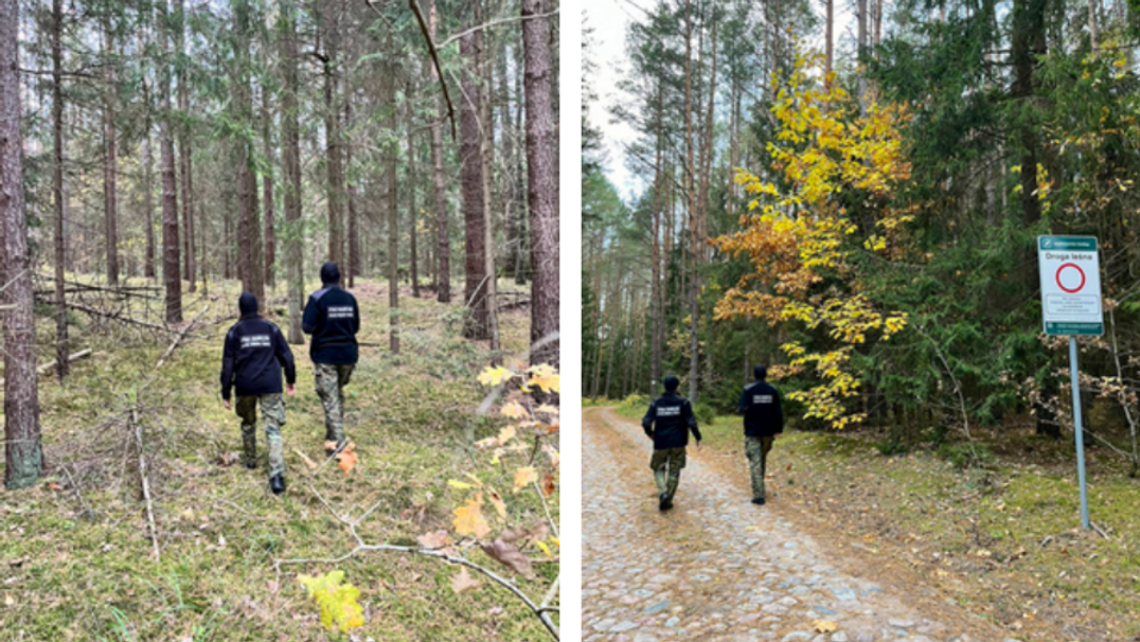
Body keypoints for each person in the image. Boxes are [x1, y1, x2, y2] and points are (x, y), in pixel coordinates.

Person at [220, 292, 297, 495]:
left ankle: (251, 461)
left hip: (245, 385)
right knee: (273, 430)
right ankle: (277, 476)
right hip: (271, 384)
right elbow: (287, 356)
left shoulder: (234, 332)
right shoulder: (271, 328)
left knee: (248, 423)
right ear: (257, 308)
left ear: (241, 309)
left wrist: (225, 392)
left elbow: (228, 365)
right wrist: (290, 379)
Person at [302, 262, 360, 454]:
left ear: (322, 278)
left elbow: (307, 327)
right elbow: (356, 326)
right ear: (339, 277)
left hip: (326, 356)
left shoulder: (317, 299)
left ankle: (340, 448)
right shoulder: (350, 299)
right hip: (348, 356)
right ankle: (332, 440)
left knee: (330, 399)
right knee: (336, 395)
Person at [642, 375, 702, 511]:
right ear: (677, 386)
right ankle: (667, 498)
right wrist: (697, 437)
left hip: (661, 441)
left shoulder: (656, 402)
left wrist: (650, 434)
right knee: (674, 471)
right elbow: (691, 421)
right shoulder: (683, 402)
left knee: (658, 468)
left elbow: (646, 422)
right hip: (678, 442)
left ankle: (663, 492)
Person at [738, 365, 784, 505]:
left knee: (755, 461)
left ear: (754, 375)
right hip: (768, 431)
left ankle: (759, 494)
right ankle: (760, 486)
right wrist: (779, 429)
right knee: (761, 458)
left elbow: (741, 409)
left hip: (753, 431)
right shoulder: (773, 390)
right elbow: (778, 411)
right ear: (765, 375)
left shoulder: (748, 390)